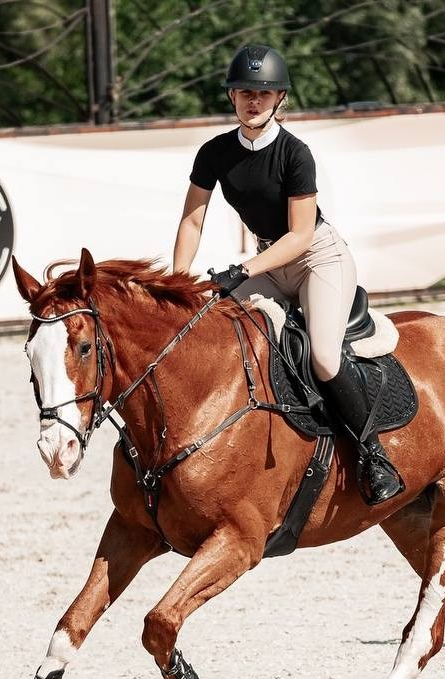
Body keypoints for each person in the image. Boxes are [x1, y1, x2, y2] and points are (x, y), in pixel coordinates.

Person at [171, 44, 404, 505]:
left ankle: (372, 455)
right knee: (215, 329)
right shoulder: (214, 153)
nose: (252, 101)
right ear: (231, 97)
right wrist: (178, 286)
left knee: (324, 358)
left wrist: (241, 270)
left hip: (317, 258)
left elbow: (299, 235)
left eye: (264, 92)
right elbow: (192, 221)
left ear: (280, 98)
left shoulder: (296, 154)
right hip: (269, 261)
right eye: (243, 92)